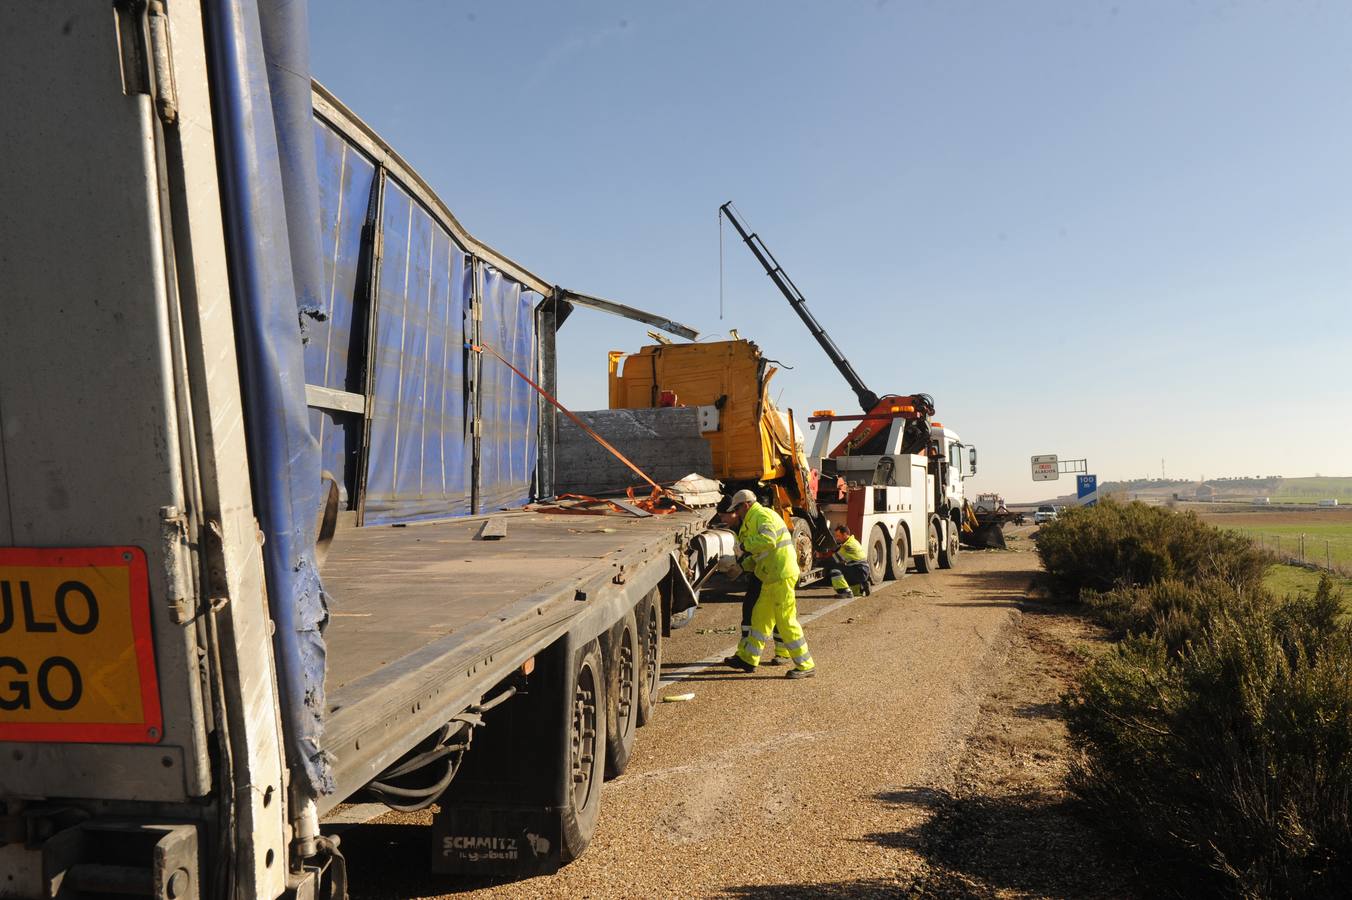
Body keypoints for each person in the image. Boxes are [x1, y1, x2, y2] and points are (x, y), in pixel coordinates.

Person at [720, 489, 815, 679]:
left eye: (737, 509)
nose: (736, 513)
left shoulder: (761, 515)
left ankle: (805, 665)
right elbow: (761, 554)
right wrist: (742, 566)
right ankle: (748, 658)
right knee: (759, 618)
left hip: (781, 574)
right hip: (770, 575)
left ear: (745, 505)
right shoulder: (753, 519)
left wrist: (744, 547)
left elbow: (768, 540)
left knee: (786, 620)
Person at [822, 524, 871, 599]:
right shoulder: (853, 541)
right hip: (862, 569)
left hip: (860, 570)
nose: (837, 538)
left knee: (835, 570)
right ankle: (862, 587)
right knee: (855, 592)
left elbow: (833, 560)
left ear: (845, 534)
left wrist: (818, 563)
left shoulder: (848, 546)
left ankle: (846, 592)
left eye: (838, 536)